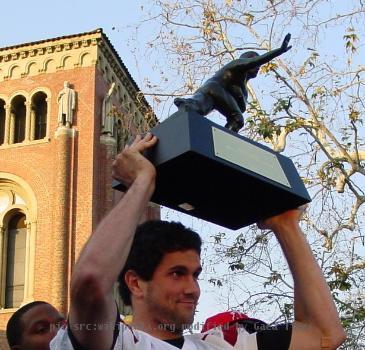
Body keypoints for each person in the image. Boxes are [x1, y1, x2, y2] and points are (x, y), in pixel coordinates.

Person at [50, 134, 346, 349]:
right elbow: (89, 281)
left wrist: (286, 225)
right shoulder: (113, 340)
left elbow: (325, 335)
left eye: (195, 275)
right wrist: (142, 182)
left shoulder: (225, 343)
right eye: (177, 273)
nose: (192, 289)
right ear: (136, 283)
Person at [174, 34, 292, 132]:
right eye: (257, 65)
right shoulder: (237, 65)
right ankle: (224, 139)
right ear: (248, 61)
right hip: (214, 88)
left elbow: (242, 108)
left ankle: (189, 104)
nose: (258, 68)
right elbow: (256, 61)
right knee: (237, 120)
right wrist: (279, 51)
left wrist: (238, 95)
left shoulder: (243, 87)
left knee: (199, 108)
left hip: (209, 90)